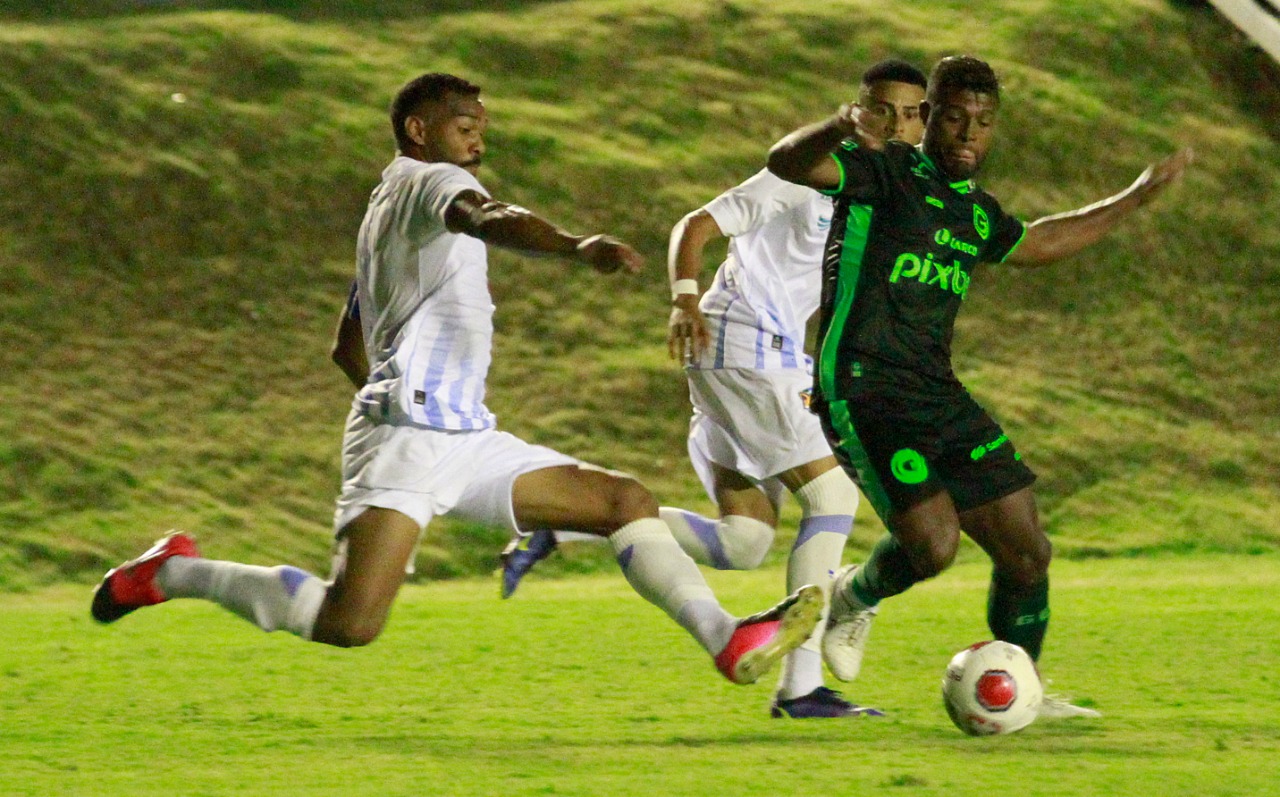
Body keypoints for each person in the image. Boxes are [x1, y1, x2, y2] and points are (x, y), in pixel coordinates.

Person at [92, 72, 824, 690]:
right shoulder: (431, 184)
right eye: (465, 125)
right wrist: (576, 247)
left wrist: (398, 392)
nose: (478, 139)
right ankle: (169, 573)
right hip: (409, 437)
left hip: (462, 435)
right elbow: (488, 215)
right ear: (418, 128)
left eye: (481, 126)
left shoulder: (389, 210)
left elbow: (347, 343)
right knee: (348, 622)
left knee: (623, 499)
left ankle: (727, 638)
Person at [500, 60, 928, 719]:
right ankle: (802, 688)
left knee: (744, 539)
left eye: (911, 113)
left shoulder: (885, 195)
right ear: (857, 110)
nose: (897, 125)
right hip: (738, 340)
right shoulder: (806, 171)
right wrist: (683, 300)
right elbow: (695, 225)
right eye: (883, 109)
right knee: (832, 491)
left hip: (760, 357)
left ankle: (569, 528)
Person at [766, 55, 1192, 717]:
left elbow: (1041, 241)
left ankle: (1024, 687)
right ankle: (854, 594)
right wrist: (841, 124)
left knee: (1027, 550)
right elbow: (787, 162)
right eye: (956, 118)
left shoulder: (974, 213)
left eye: (983, 123)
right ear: (930, 118)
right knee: (934, 548)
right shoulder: (885, 171)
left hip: (937, 391)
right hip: (865, 387)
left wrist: (1135, 197)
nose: (968, 134)